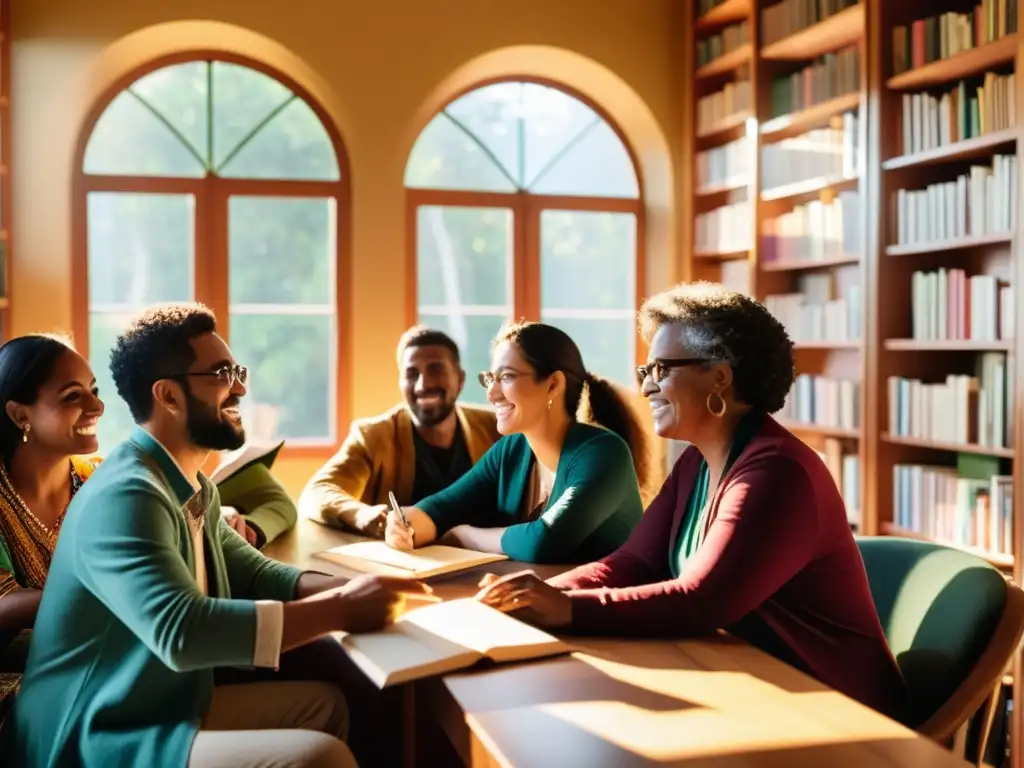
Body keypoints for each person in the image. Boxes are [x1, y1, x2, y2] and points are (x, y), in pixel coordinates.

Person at [1, 304, 430, 768]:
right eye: (223, 372)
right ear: (168, 396)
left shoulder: (191, 484)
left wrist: (369, 592)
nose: (241, 386)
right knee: (321, 755)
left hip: (147, 702)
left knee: (326, 705)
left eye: (237, 370)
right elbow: (183, 631)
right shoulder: (128, 493)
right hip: (90, 729)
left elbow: (258, 573)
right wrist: (342, 609)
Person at [475, 283, 908, 722]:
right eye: (646, 371)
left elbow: (702, 600)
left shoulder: (778, 473)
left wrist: (565, 609)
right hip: (757, 687)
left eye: (660, 369)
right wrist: (543, 593)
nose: (646, 387)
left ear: (720, 377)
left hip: (840, 712)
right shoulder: (697, 463)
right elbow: (632, 564)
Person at [384, 321, 651, 565]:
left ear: (552, 385)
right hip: (539, 602)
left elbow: (544, 540)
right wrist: (405, 526)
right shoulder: (511, 450)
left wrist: (465, 536)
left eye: (507, 377)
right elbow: (442, 508)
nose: (491, 393)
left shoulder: (603, 453)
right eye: (491, 379)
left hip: (604, 610)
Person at [300, 325, 500, 537]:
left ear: (460, 379)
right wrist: (361, 516)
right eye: (412, 374)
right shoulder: (373, 436)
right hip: (406, 563)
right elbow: (317, 492)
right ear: (401, 382)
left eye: (436, 369)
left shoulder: (495, 427)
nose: (423, 384)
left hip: (489, 560)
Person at [0, 335, 103, 721]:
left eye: (94, 391)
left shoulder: (102, 481)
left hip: (97, 661)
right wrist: (114, 596)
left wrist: (226, 516)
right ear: (20, 415)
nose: (98, 407)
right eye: (73, 397)